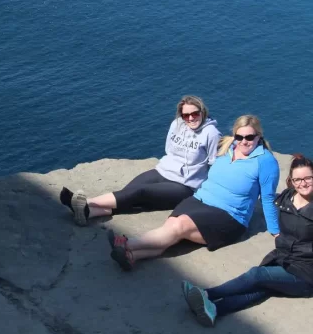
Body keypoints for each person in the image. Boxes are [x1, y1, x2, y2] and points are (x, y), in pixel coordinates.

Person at [108, 115, 280, 270]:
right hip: (199, 200)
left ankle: (126, 244)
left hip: (229, 216)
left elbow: (267, 198)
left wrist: (276, 231)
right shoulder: (226, 147)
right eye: (239, 136)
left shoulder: (266, 162)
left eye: (249, 137)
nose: (244, 141)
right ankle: (132, 256)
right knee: (172, 231)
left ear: (259, 136)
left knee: (178, 226)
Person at [182, 153, 313, 327]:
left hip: (305, 273)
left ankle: (206, 294)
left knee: (256, 275)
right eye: (298, 179)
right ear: (291, 181)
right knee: (263, 287)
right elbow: (271, 207)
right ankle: (215, 309)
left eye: (308, 178)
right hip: (283, 258)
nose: (302, 183)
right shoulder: (286, 198)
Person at [60, 95, 220, 226]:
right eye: (186, 115)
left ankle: (85, 203)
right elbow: (169, 149)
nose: (191, 118)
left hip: (185, 185)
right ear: (181, 115)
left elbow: (215, 164)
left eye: (195, 113)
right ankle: (87, 213)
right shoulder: (177, 124)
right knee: (128, 193)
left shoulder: (211, 133)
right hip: (163, 171)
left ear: (202, 112)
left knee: (139, 193)